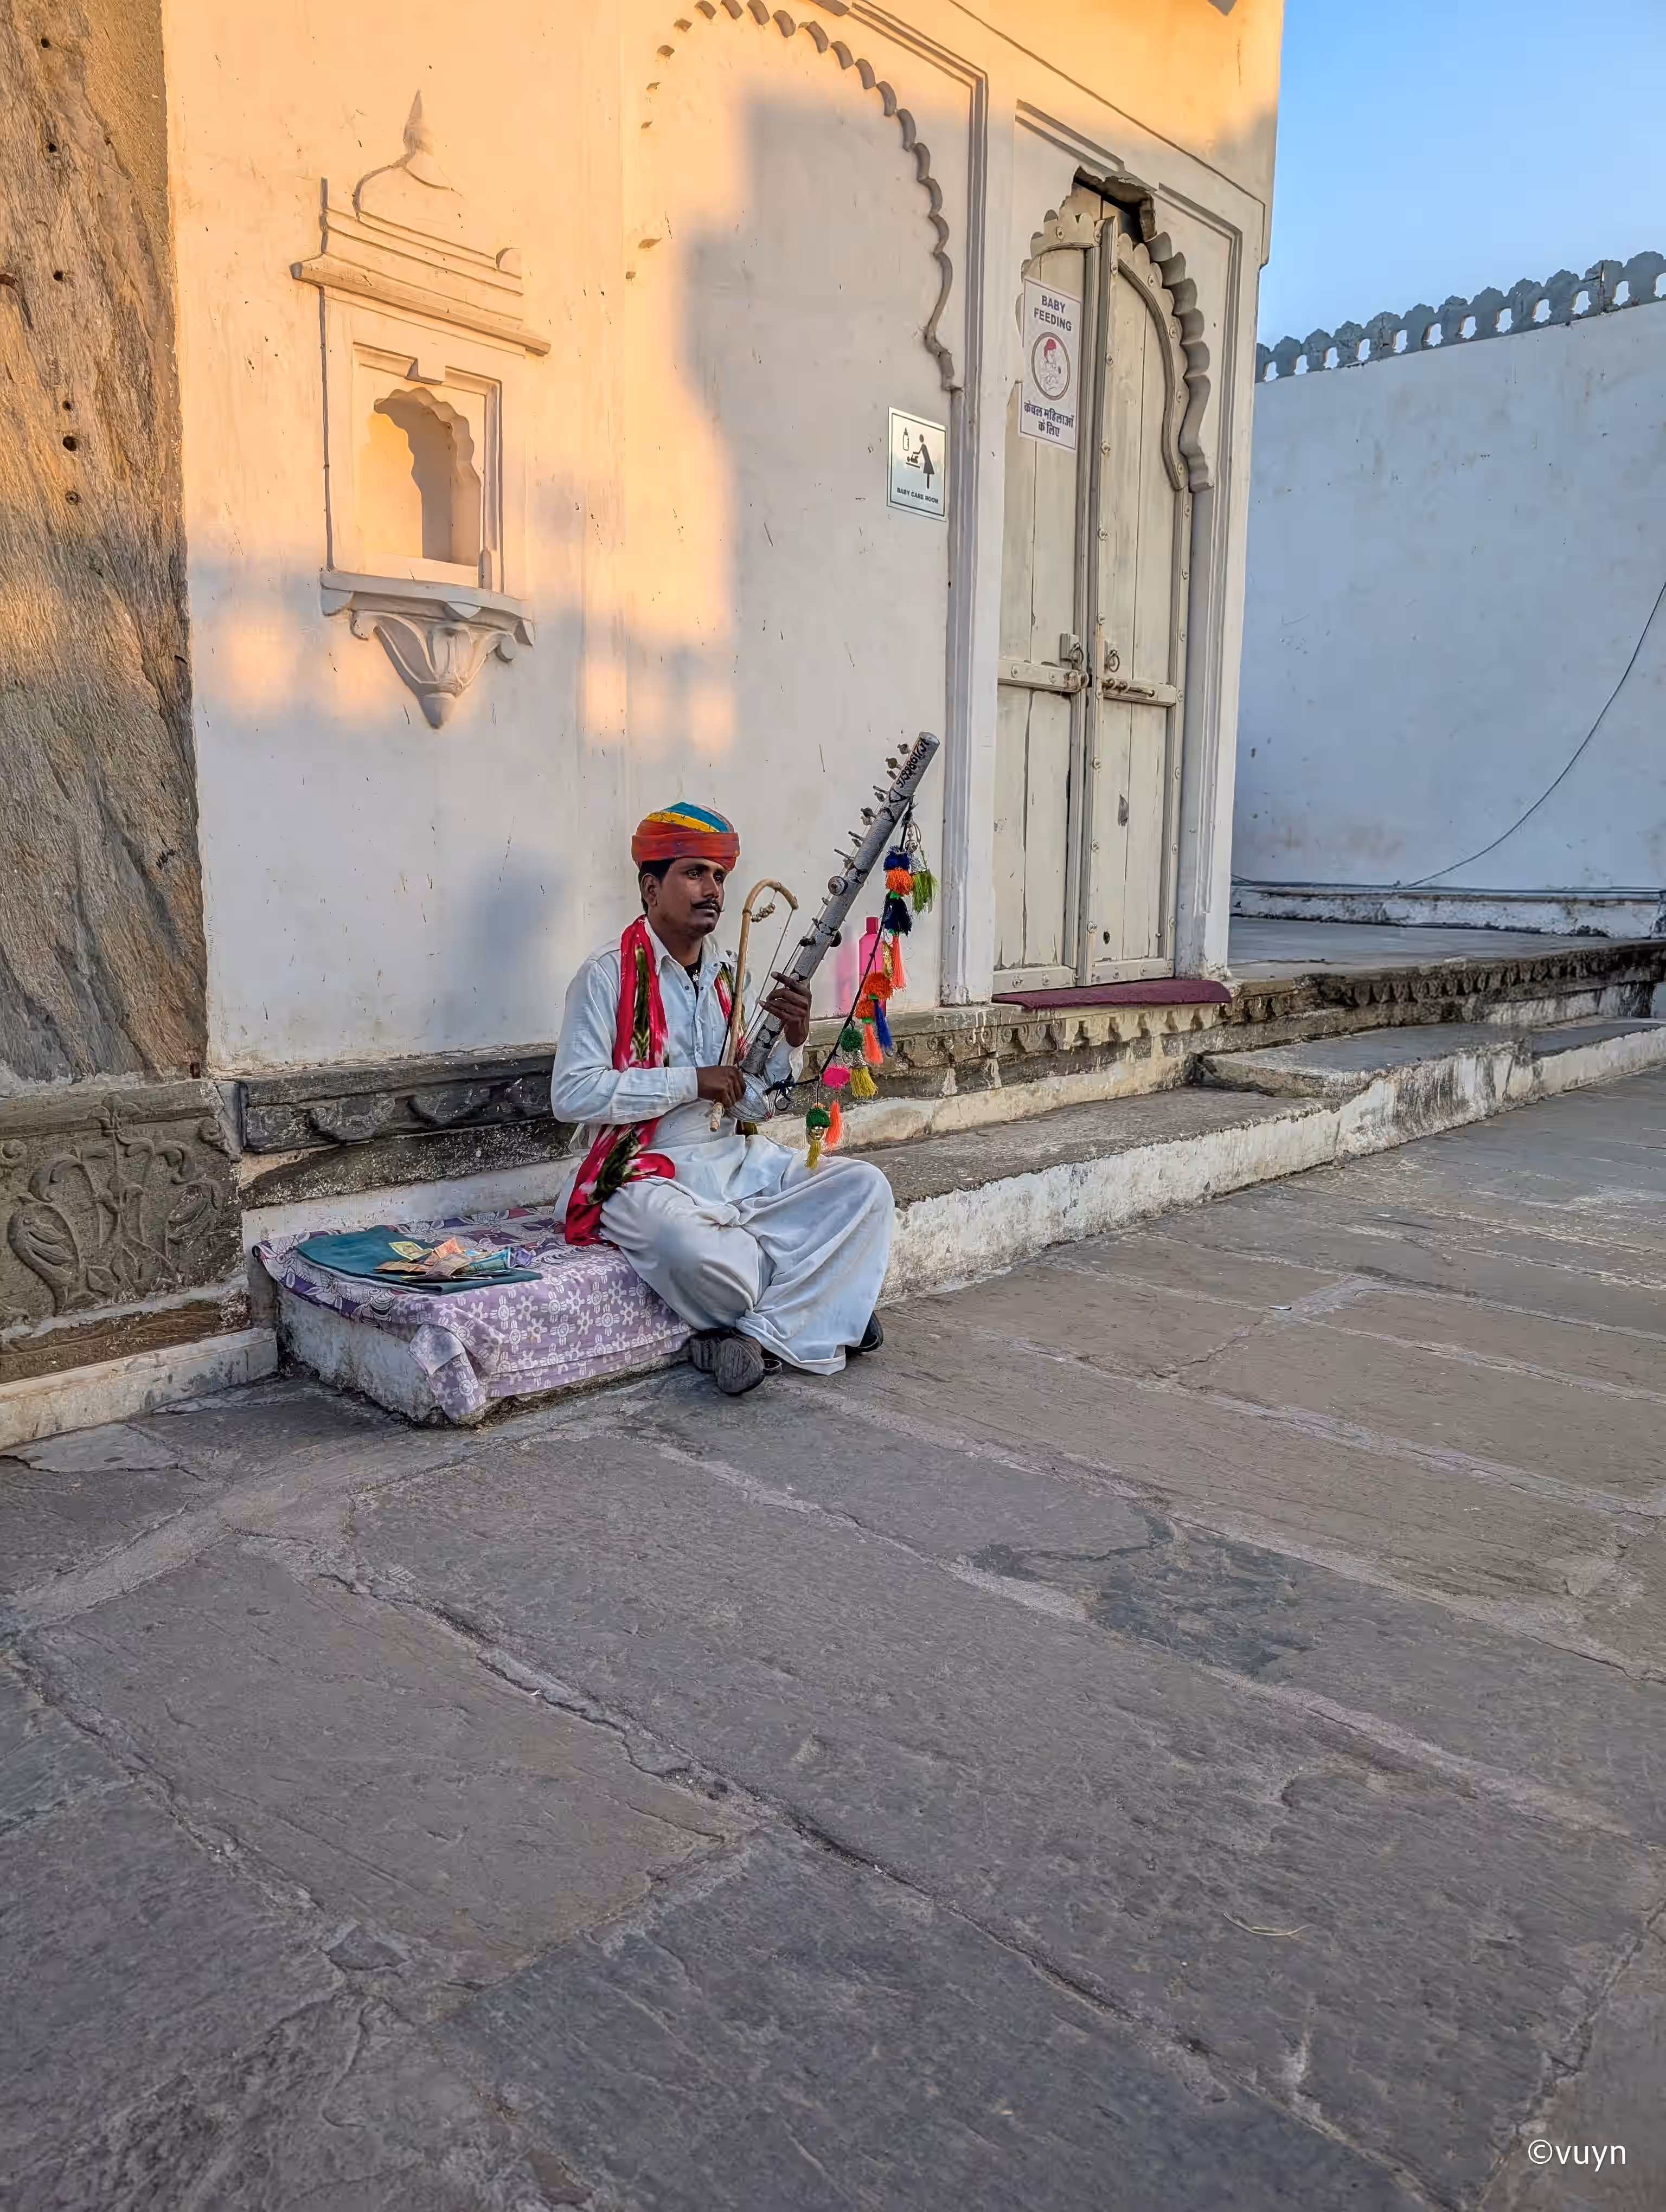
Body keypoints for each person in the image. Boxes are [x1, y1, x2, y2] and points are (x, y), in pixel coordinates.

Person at [550, 802, 895, 1396]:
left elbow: (753, 1103)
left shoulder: (726, 973)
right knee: (704, 1258)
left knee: (866, 1190)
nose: (712, 889)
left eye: (720, 877)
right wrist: (692, 1080)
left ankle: (752, 1339)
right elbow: (571, 1094)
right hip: (643, 1168)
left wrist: (791, 1040)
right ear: (651, 888)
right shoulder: (605, 974)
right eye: (695, 873)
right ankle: (820, 1312)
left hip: (733, 1161)